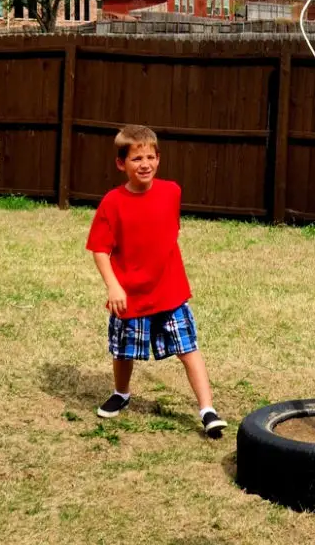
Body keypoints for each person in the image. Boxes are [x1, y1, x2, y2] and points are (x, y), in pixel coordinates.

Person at [86, 124, 227, 438]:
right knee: (123, 351)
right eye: (137, 159)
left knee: (188, 348)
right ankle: (121, 393)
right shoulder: (112, 202)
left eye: (150, 157)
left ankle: (208, 410)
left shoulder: (172, 192)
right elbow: (99, 249)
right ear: (121, 163)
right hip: (129, 296)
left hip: (170, 293)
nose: (145, 164)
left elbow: (168, 233)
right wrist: (113, 285)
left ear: (159, 159)